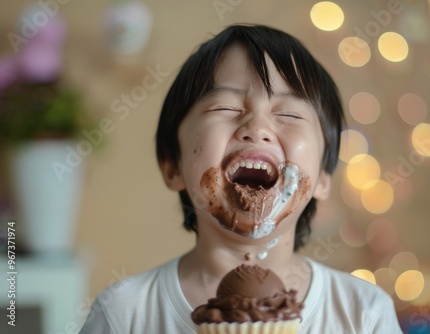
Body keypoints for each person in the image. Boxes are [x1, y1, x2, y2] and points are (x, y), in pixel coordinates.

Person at [80, 24, 402, 333]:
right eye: (225, 107)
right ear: (173, 165)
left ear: (322, 177)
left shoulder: (363, 313)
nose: (257, 128)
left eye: (288, 114)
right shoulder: (124, 313)